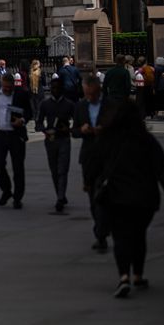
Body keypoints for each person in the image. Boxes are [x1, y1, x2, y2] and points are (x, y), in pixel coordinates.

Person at [85, 98, 164, 297]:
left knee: (121, 237)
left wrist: (88, 182)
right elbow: (161, 168)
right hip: (143, 197)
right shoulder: (146, 140)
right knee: (138, 236)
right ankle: (138, 274)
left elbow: (93, 162)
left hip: (116, 196)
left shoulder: (107, 138)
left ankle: (123, 277)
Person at [74, 74, 111, 252]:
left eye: (93, 94)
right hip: (89, 158)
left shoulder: (110, 105)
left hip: (108, 157)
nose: (90, 97)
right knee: (93, 198)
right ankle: (101, 231)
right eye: (87, 94)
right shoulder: (81, 106)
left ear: (99, 90)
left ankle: (102, 232)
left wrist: (106, 129)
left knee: (104, 196)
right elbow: (74, 130)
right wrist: (81, 129)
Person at [0, 72, 32, 209]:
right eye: (4, 87)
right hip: (0, 135)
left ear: (13, 85)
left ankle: (18, 198)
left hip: (16, 135)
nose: (7, 90)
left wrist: (22, 120)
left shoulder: (21, 94)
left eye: (9, 87)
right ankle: (6, 191)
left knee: (18, 167)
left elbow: (29, 112)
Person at [35, 79, 77, 213]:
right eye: (53, 88)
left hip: (64, 139)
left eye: (58, 88)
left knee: (62, 169)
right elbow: (39, 123)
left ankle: (60, 197)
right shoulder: (45, 104)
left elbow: (77, 123)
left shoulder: (69, 104)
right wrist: (45, 130)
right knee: (54, 170)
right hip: (51, 139)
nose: (56, 90)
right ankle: (60, 194)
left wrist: (69, 129)